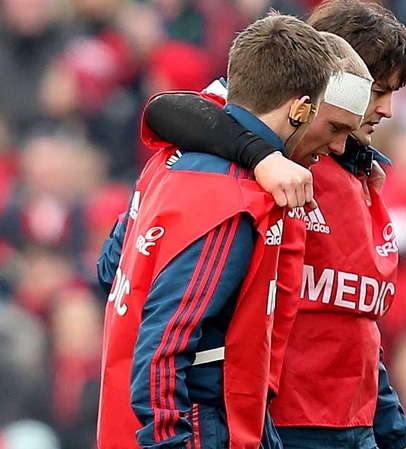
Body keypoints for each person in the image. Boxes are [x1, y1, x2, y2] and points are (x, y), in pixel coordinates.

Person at [139, 2, 406, 448]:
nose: (383, 109)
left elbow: (357, 327)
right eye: (377, 91)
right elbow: (168, 110)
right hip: (275, 420)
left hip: (351, 423)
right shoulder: (273, 151)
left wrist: (394, 434)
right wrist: (260, 154)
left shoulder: (355, 169)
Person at [95, 14, 339, 449]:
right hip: (199, 428)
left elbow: (111, 269)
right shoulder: (234, 198)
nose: (336, 145)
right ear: (301, 108)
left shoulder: (165, 164)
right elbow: (164, 346)